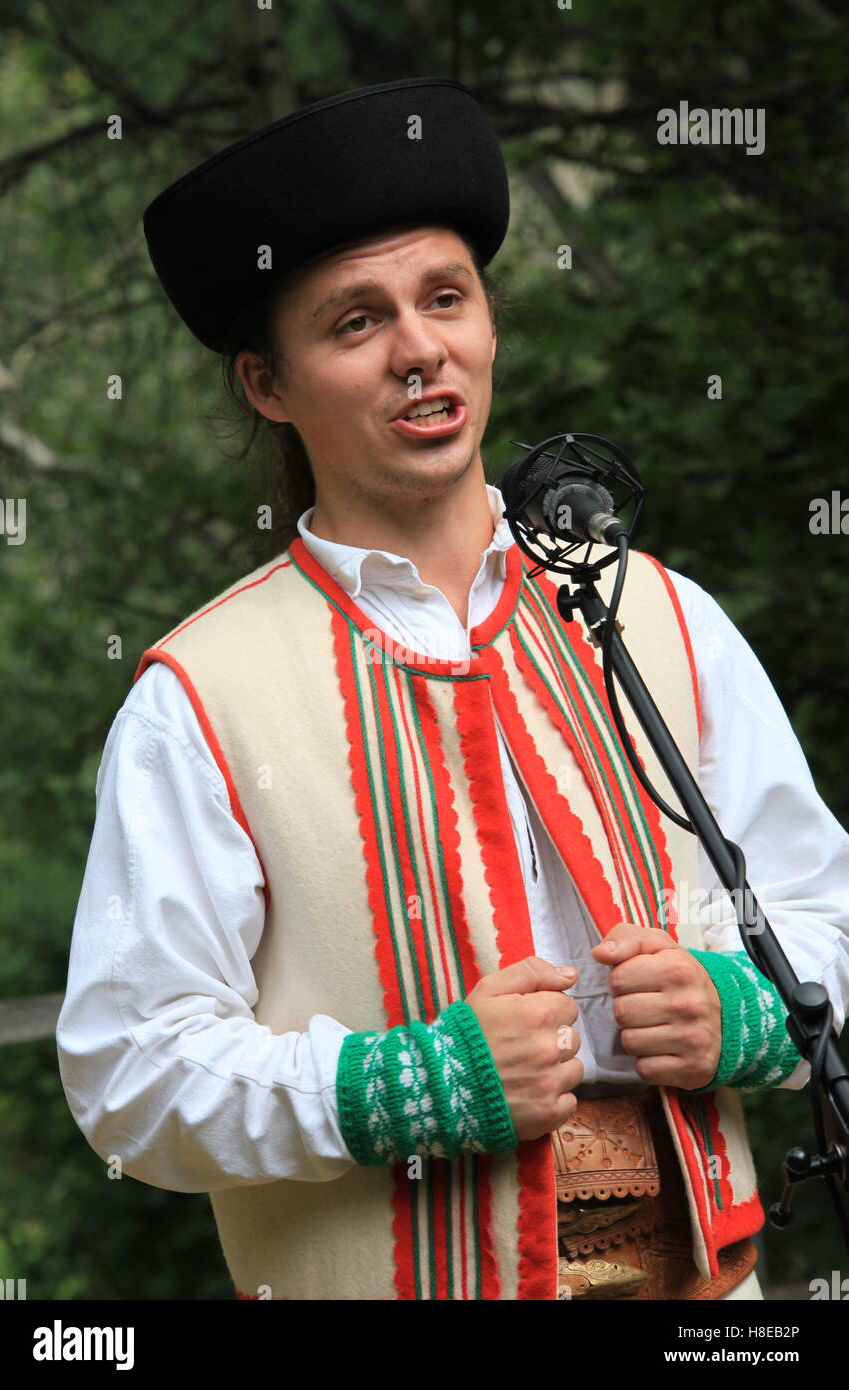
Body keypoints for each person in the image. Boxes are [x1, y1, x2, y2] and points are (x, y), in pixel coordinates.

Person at [56, 78, 849, 1301]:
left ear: (486, 323)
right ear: (268, 384)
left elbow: (828, 917)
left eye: (444, 299)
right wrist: (403, 1085)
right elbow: (127, 1072)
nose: (419, 348)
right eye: (354, 321)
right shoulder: (198, 696)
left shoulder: (657, 613)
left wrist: (736, 1009)